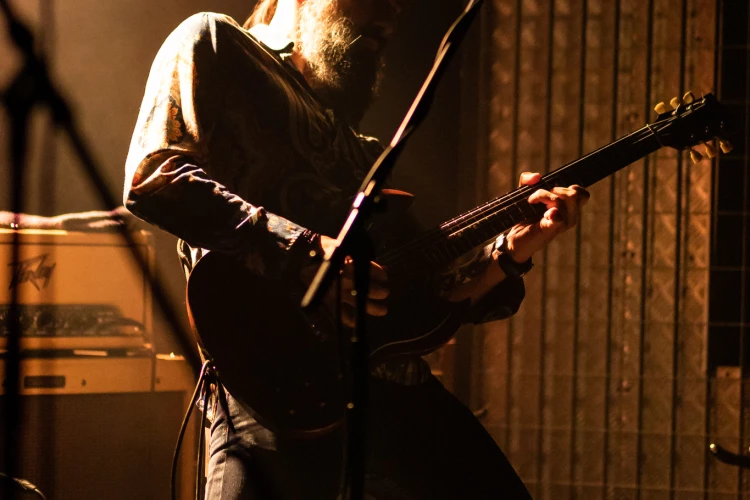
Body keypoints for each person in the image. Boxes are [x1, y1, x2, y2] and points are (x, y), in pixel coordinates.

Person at [123, 0, 590, 498]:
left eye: (397, 5)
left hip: (397, 396)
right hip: (272, 398)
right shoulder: (218, 43)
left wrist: (511, 248)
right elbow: (155, 179)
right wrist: (305, 252)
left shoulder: (365, 153)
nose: (389, 15)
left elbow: (428, 298)